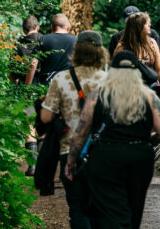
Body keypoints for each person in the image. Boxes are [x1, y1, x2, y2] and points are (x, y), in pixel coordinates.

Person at [66, 50, 160, 228]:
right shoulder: (149, 96)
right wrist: (149, 139)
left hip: (106, 156)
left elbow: (81, 132)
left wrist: (71, 160)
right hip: (140, 157)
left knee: (110, 210)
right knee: (134, 206)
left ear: (112, 71)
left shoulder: (97, 95)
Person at [40, 30, 108, 229]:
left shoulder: (61, 79)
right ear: (100, 52)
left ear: (76, 50)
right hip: (101, 152)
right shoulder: (109, 81)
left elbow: (45, 117)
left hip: (69, 151)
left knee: (77, 208)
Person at [13, 16, 41, 176]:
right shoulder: (45, 41)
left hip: (26, 91)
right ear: (37, 27)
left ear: (24, 29)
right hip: (44, 89)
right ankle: (44, 168)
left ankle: (33, 166)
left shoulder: (19, 44)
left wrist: (18, 82)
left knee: (30, 126)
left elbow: (12, 72)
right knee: (43, 128)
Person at [113, 11, 160, 86]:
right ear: (138, 27)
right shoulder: (122, 47)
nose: (149, 25)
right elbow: (115, 72)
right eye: (146, 23)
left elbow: (159, 69)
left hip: (150, 88)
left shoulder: (152, 43)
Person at [34, 13, 77, 86]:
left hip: (46, 86)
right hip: (69, 85)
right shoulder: (77, 41)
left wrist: (28, 85)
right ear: (68, 27)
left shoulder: (43, 39)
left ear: (52, 27)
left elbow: (33, 64)